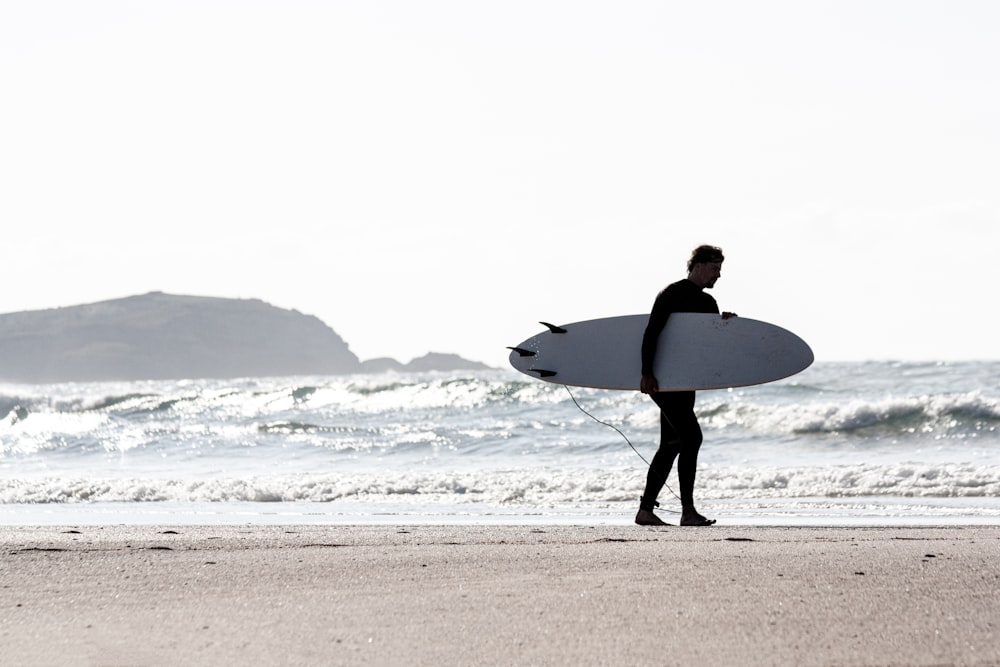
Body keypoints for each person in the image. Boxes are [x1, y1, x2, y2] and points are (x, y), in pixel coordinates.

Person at [636, 244, 736, 527]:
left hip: (685, 381)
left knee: (670, 443)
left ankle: (645, 510)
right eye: (715, 268)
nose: (718, 275)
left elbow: (708, 347)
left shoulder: (708, 304)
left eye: (720, 269)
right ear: (699, 265)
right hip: (662, 380)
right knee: (692, 438)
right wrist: (647, 373)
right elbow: (652, 332)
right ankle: (687, 511)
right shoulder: (672, 293)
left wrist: (724, 325)